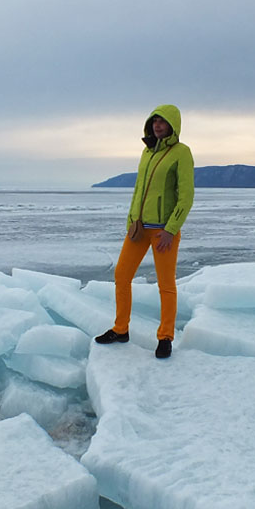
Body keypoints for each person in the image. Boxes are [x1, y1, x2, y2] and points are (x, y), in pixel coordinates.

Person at [95, 104, 194, 358]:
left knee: (166, 285)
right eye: (154, 121)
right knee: (121, 275)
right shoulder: (147, 152)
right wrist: (131, 220)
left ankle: (165, 337)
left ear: (173, 124)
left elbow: (186, 197)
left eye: (162, 121)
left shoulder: (182, 153)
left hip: (163, 232)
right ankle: (120, 329)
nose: (157, 125)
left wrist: (171, 230)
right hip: (139, 229)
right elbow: (139, 189)